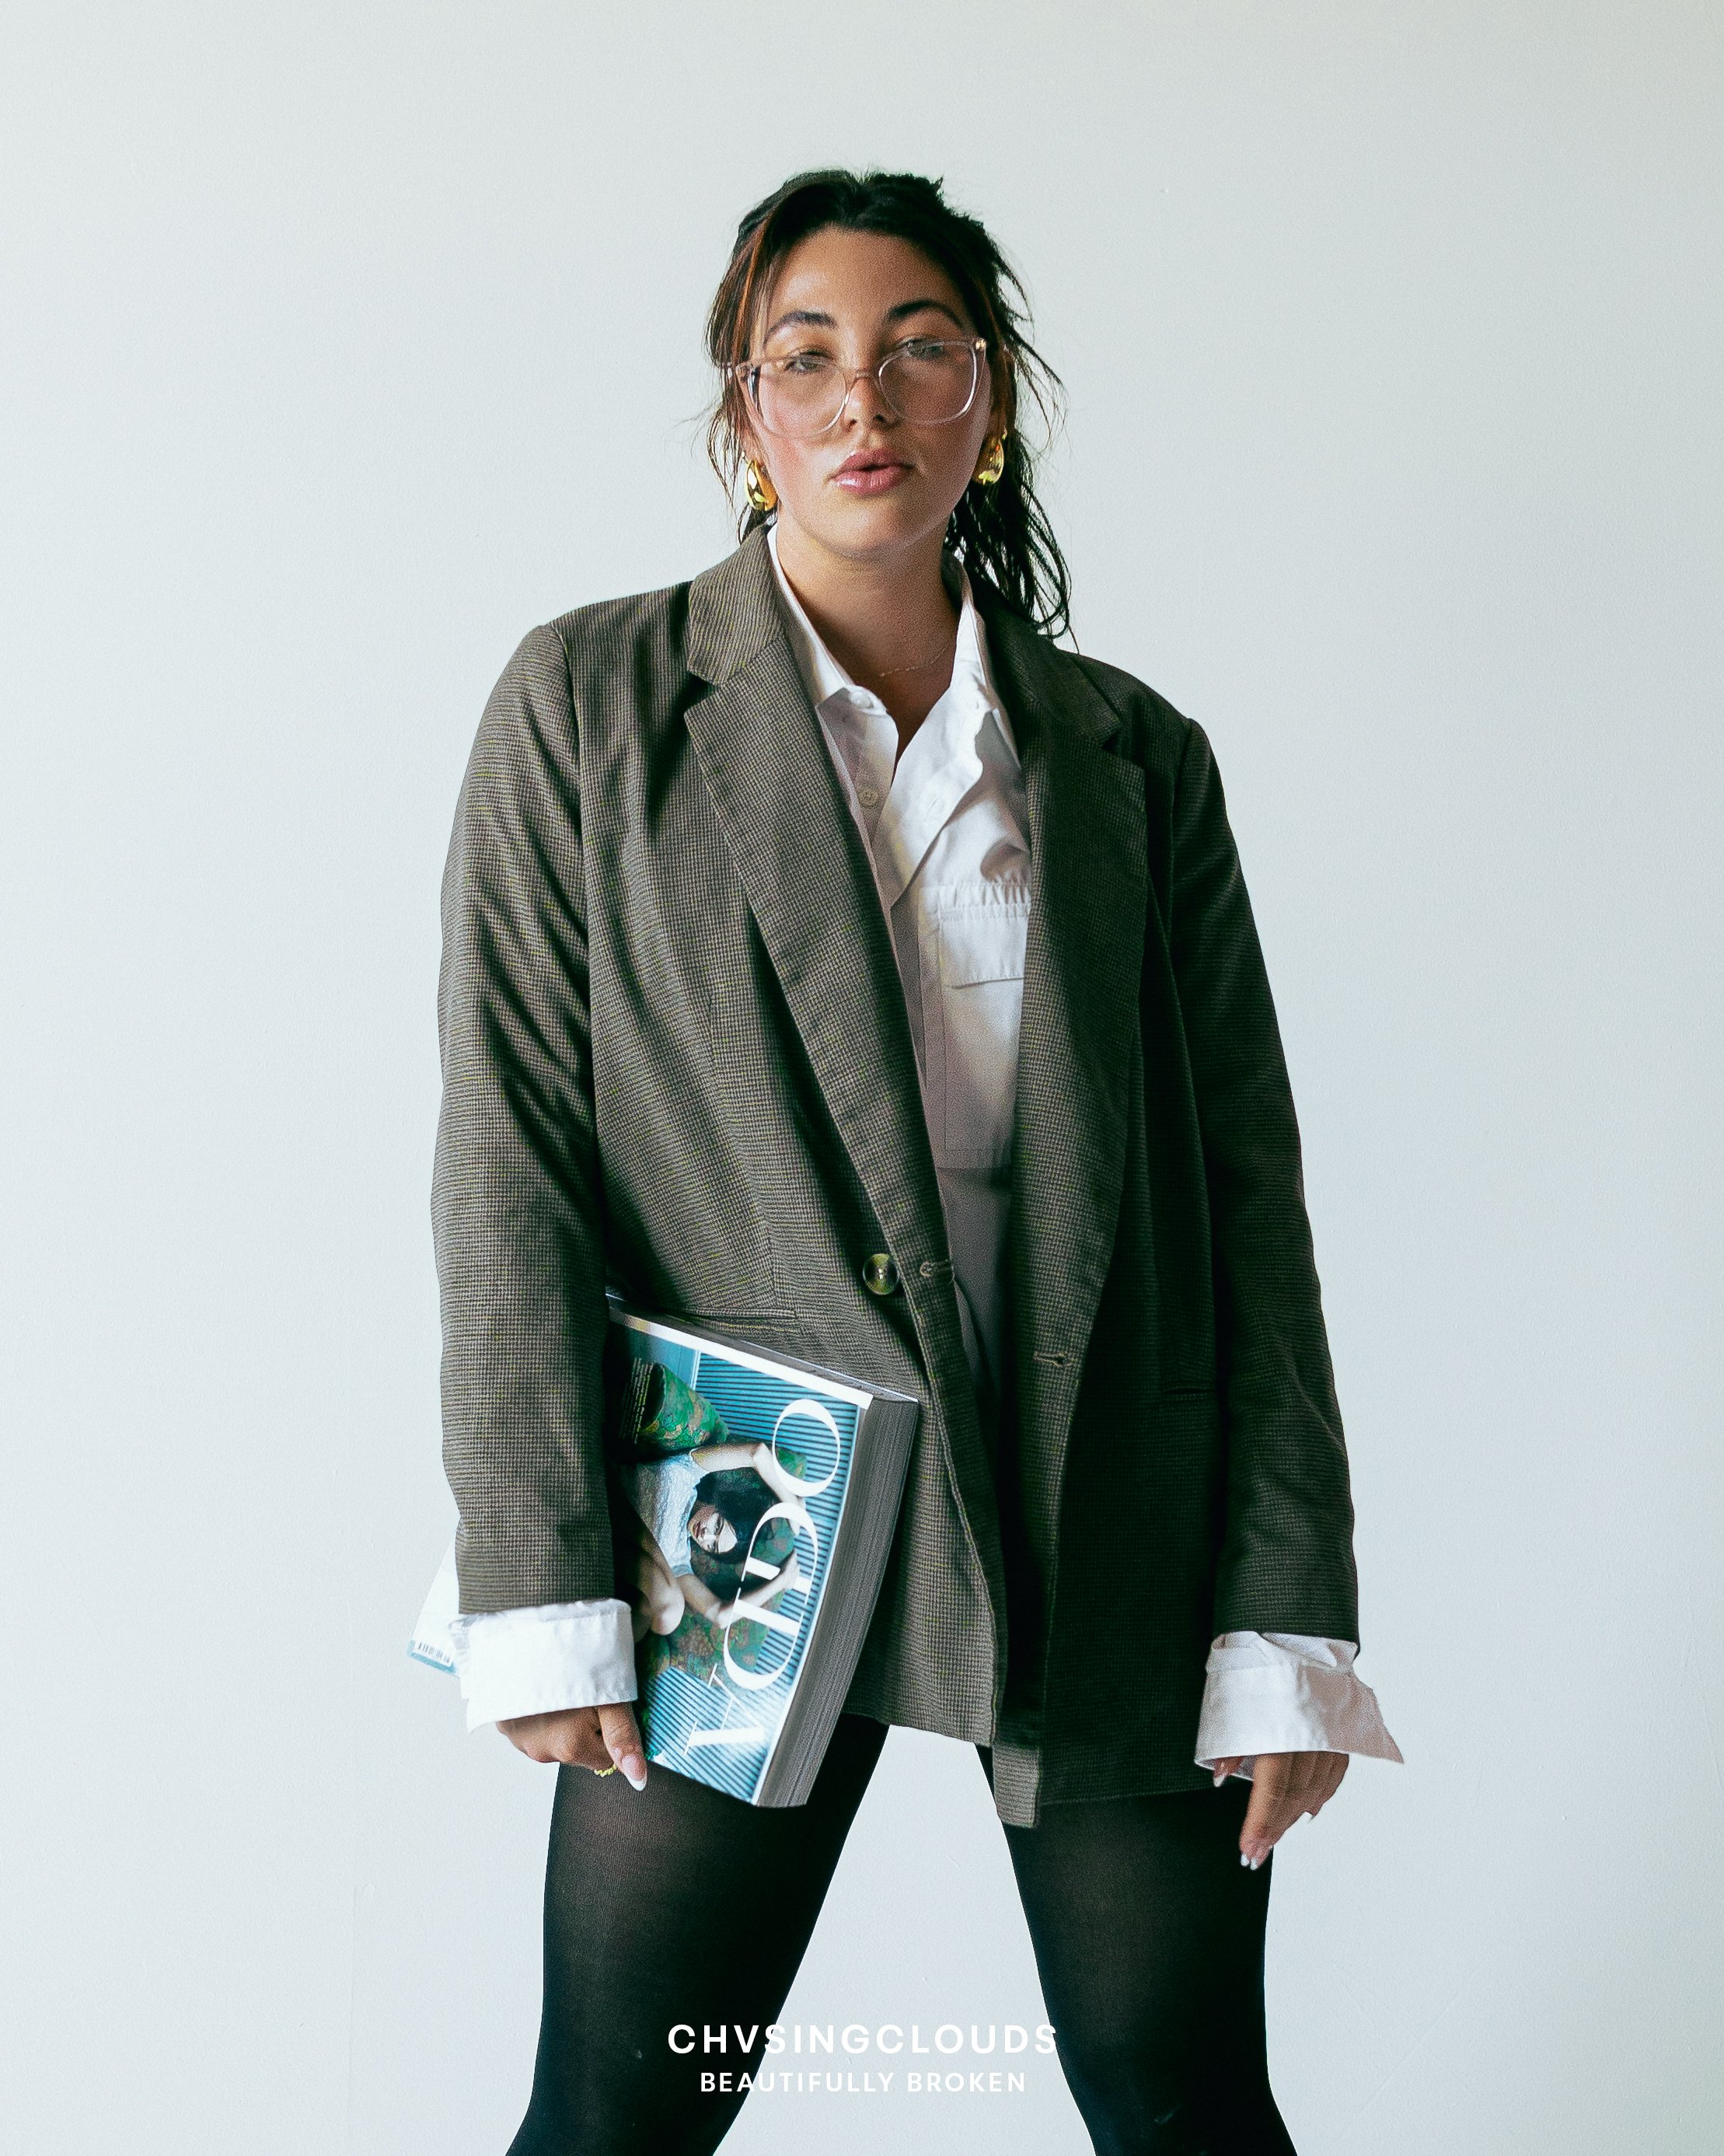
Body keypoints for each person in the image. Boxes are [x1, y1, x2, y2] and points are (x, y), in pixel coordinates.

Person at [434, 166, 1401, 2156]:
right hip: (737, 1532)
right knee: (612, 2120)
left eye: (917, 350)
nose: (860, 399)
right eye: (804, 358)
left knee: (1184, 2106)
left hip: (1101, 1504)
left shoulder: (1136, 760)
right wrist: (540, 1574)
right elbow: (510, 1155)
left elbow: (1245, 1206)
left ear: (991, 401)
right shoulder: (588, 707)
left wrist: (1283, 1606)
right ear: (745, 418)